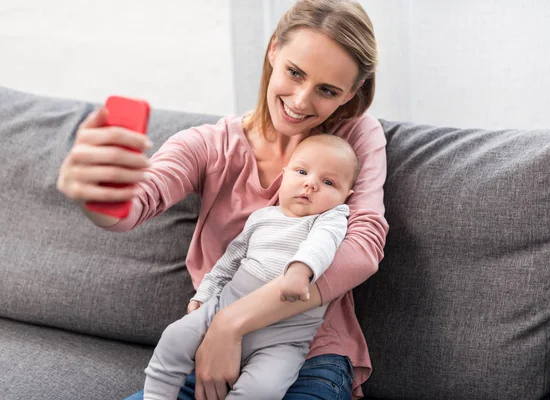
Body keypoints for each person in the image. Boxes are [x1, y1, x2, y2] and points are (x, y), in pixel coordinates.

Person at [56, 0, 388, 398]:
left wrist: (232, 322)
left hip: (309, 354)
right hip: (213, 346)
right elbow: (136, 204)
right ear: (272, 50)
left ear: (349, 95)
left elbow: (363, 247)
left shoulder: (351, 142)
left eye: (327, 90)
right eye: (294, 72)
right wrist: (98, 196)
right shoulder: (210, 146)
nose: (300, 101)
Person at [144, 134, 359, 399]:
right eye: (301, 171)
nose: (310, 184)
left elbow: (321, 244)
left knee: (264, 389)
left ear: (345, 196)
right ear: (284, 175)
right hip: (224, 308)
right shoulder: (261, 217)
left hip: (282, 338)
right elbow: (228, 263)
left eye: (328, 182)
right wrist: (204, 296)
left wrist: (300, 271)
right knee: (174, 338)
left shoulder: (331, 218)